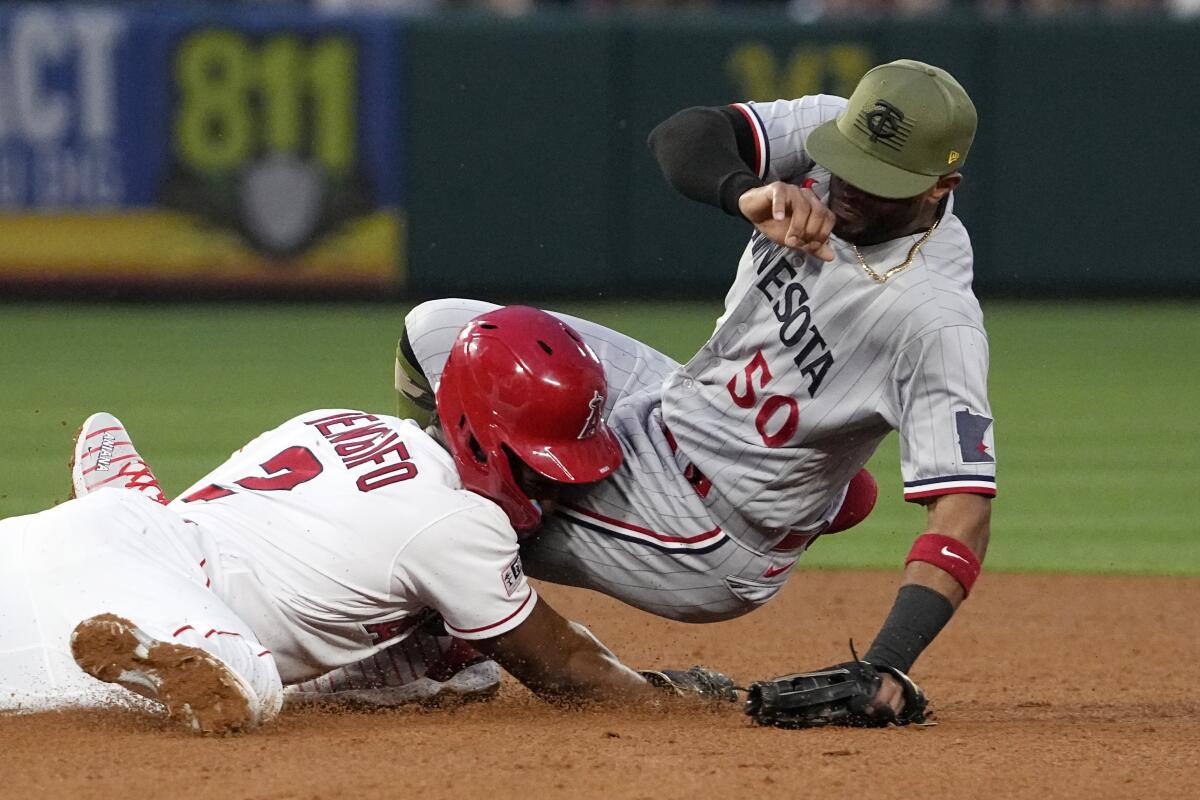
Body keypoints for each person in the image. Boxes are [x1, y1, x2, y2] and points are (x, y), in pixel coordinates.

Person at [391, 60, 994, 721]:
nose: (846, 186)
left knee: (425, 498)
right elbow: (682, 135)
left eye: (877, 183)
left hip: (705, 528)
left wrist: (888, 666)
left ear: (941, 187)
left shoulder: (933, 319)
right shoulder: (837, 134)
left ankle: (442, 641)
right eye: (847, 160)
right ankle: (455, 597)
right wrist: (743, 191)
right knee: (443, 333)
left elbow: (963, 512)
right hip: (675, 397)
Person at [0, 307, 732, 733]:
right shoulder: (457, 525)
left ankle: (119, 501)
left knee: (444, 645)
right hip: (156, 608)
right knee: (243, 689)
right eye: (543, 469)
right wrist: (677, 699)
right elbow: (563, 666)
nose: (551, 495)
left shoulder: (336, 421)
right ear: (477, 433)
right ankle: (157, 652)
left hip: (116, 534)